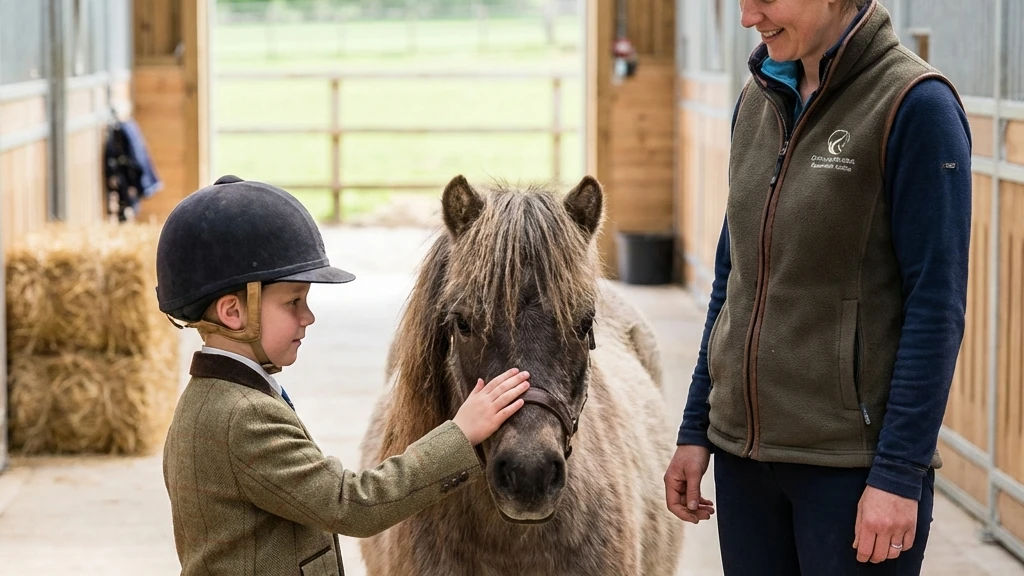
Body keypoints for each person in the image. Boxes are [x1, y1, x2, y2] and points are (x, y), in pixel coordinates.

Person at [664, 0, 971, 574]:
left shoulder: (915, 106)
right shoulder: (757, 100)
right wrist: (696, 426)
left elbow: (937, 308)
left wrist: (899, 473)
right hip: (743, 463)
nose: (747, 16)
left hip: (849, 473)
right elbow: (733, 280)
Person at [156, 175, 531, 575]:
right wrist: (460, 433)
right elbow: (352, 505)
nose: (308, 317)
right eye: (293, 302)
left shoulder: (210, 400)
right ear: (233, 312)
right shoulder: (244, 417)